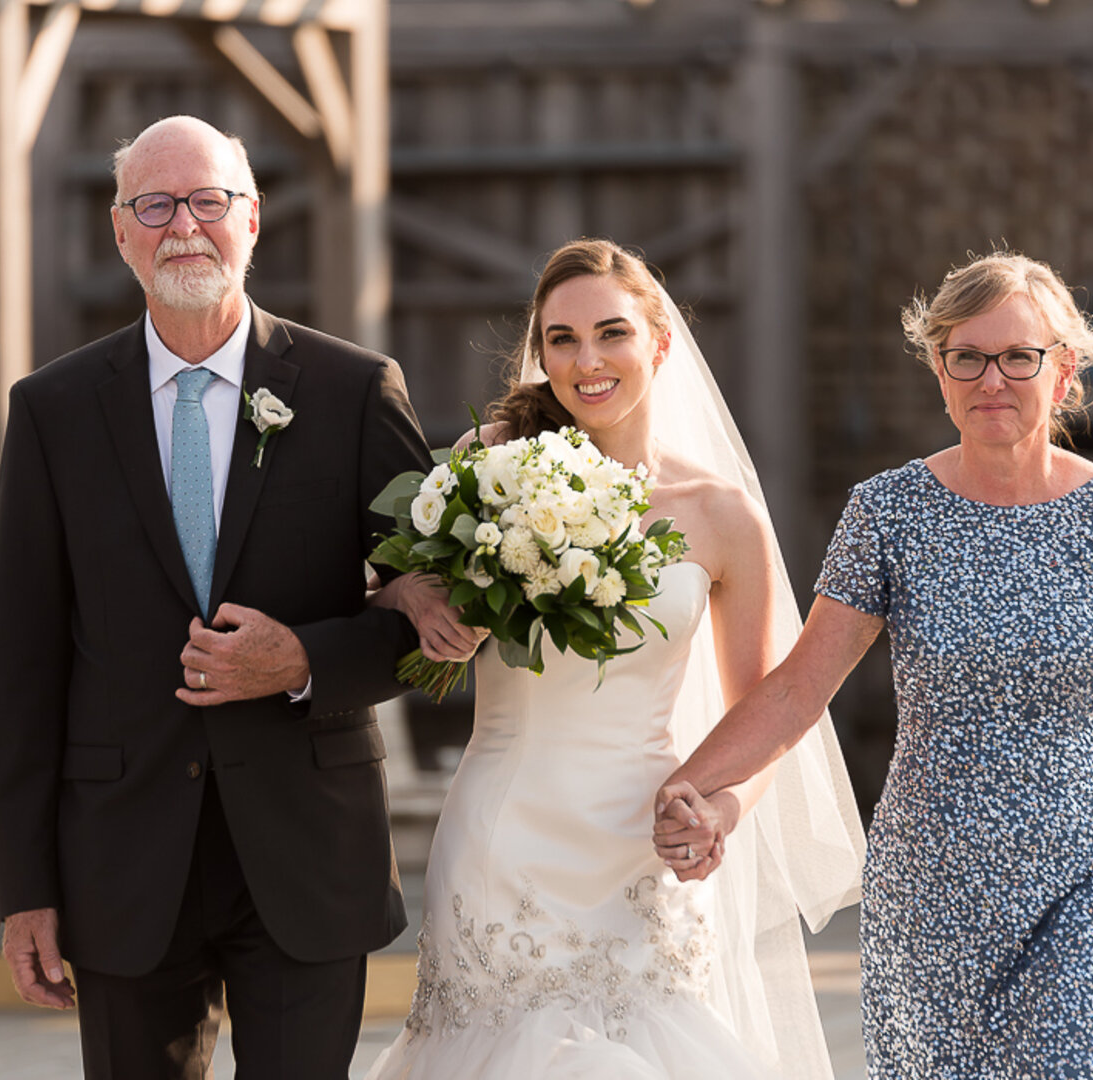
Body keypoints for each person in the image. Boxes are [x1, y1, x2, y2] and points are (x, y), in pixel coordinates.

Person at [0, 115, 471, 1079]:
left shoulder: (354, 389)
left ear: (252, 222)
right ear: (119, 232)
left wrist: (303, 662)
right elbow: (21, 665)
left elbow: (433, 616)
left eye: (208, 202)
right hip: (120, 861)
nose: (183, 227)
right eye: (154, 206)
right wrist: (24, 890)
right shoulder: (52, 410)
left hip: (304, 848)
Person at [657, 251, 1093, 1077]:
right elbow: (802, 687)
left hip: (1087, 889)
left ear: (1061, 372)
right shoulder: (885, 513)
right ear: (938, 373)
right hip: (927, 894)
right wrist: (687, 787)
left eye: (1018, 356)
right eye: (966, 357)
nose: (992, 379)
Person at [364, 238, 865, 1079]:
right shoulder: (483, 471)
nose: (585, 361)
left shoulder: (720, 514)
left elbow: (768, 713)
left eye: (611, 333)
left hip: (644, 843)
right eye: (560, 339)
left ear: (659, 343)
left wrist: (723, 810)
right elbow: (377, 597)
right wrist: (420, 606)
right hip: (504, 841)